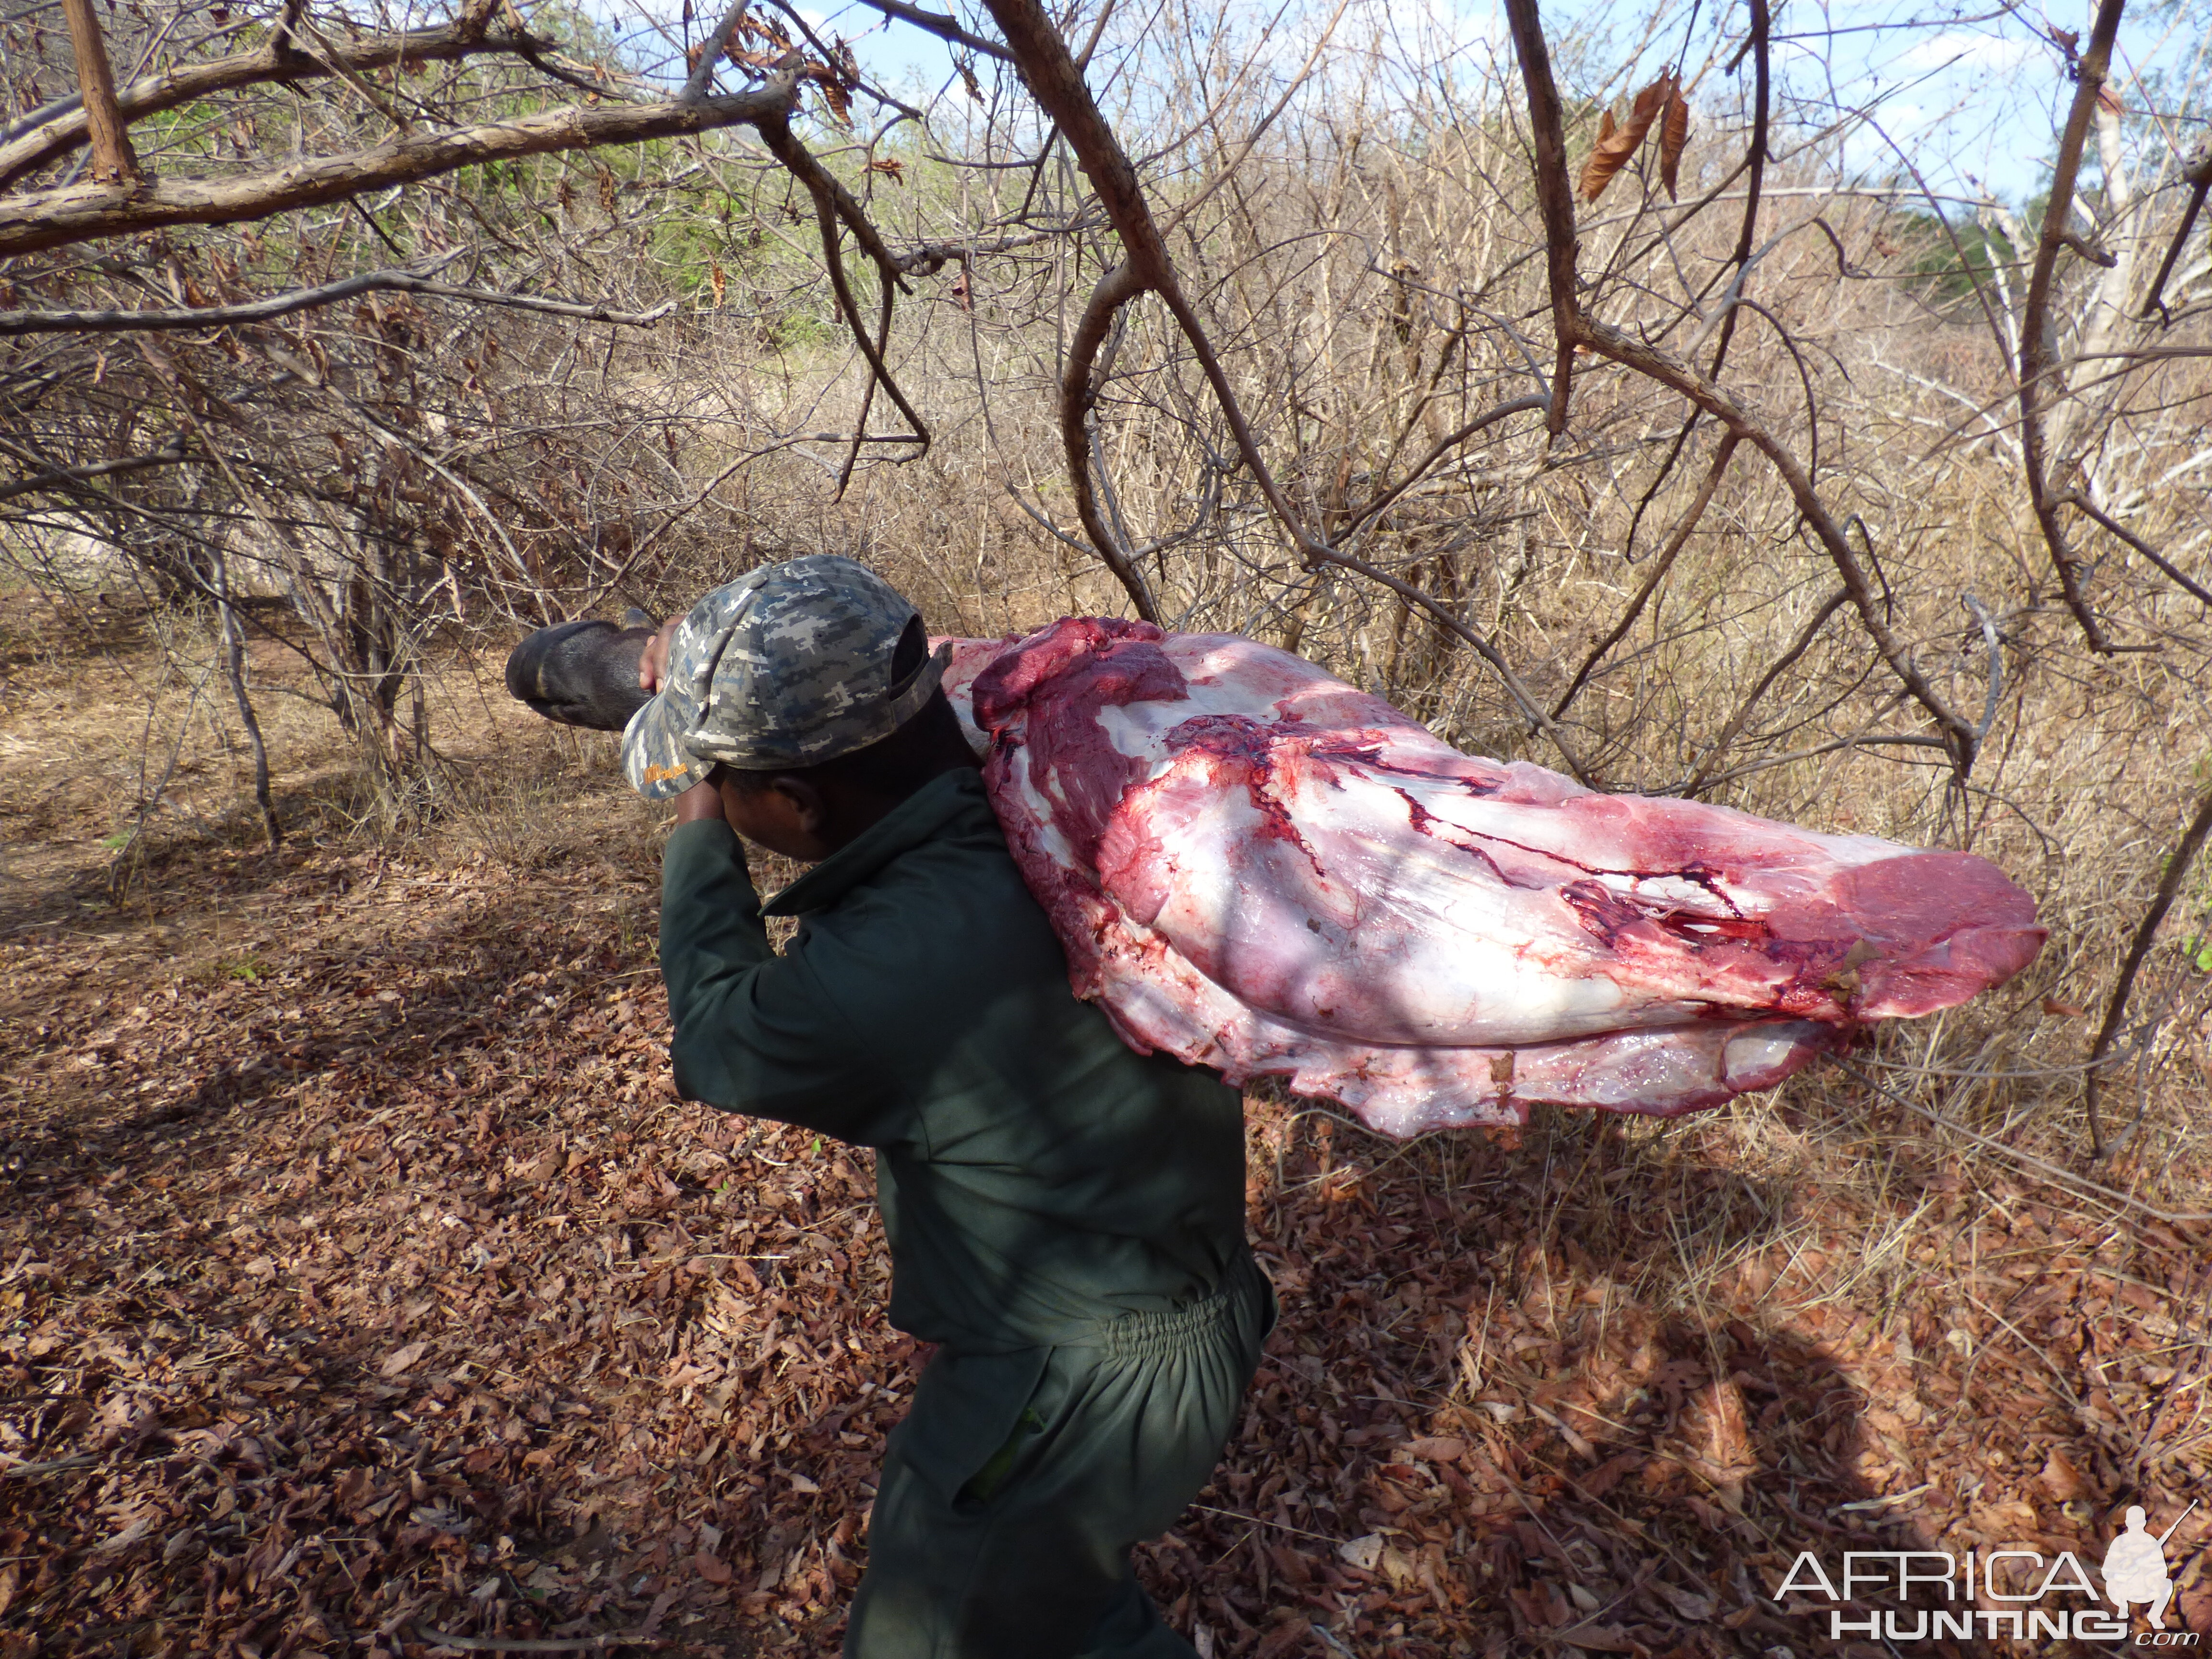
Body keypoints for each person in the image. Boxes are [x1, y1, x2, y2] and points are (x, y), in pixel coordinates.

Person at [625, 554, 1272, 1659]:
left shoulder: (889, 967)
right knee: (1047, 1611)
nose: (728, 803)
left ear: (794, 800)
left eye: (734, 785)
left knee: (934, 1634)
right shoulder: (1032, 778)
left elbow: (719, 1042)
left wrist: (695, 828)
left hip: (1075, 1378)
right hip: (1161, 1304)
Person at [2103, 1505, 2174, 1629]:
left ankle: (2155, 1616)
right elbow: (2108, 1569)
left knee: (2167, 1585)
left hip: (2147, 1585)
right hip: (2125, 1587)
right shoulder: (2120, 1541)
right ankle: (2123, 1611)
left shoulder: (2150, 1541)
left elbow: (2162, 1569)